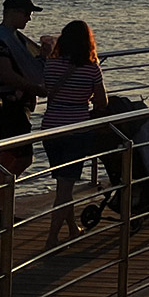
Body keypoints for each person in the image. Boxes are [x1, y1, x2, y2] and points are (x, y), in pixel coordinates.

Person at [0, 0, 51, 228]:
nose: (30, 18)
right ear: (13, 12)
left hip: (18, 103)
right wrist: (34, 87)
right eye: (27, 13)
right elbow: (3, 74)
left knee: (10, 156)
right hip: (9, 104)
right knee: (17, 156)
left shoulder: (14, 38)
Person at [40, 19, 111, 250]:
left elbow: (45, 88)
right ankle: (52, 238)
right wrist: (85, 97)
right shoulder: (91, 68)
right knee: (64, 188)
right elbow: (102, 102)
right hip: (76, 130)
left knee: (64, 184)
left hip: (50, 129)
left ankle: (72, 229)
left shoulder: (50, 65)